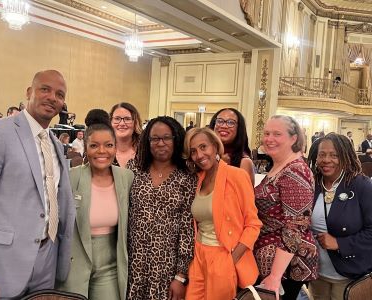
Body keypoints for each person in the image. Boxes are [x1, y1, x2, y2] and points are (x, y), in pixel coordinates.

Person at [0, 70, 75, 299]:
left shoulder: (56, 145)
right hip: (1, 267)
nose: (52, 97)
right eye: (45, 89)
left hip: (46, 264)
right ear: (29, 92)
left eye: (59, 94)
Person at [57, 109, 133, 300]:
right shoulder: (71, 177)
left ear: (115, 148)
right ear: (85, 147)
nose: (101, 151)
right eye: (94, 145)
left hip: (110, 265)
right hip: (74, 262)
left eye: (108, 145)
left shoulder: (126, 178)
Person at [183, 128, 262, 299]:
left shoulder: (237, 176)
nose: (199, 155)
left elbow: (253, 224)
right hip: (198, 255)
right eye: (193, 151)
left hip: (223, 254)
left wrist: (230, 260)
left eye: (204, 147)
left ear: (215, 146)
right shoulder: (198, 179)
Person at [127, 116, 196, 300]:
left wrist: (181, 275)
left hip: (167, 266)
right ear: (147, 141)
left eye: (167, 137)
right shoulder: (134, 169)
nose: (161, 143)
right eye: (155, 138)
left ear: (176, 139)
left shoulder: (187, 176)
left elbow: (187, 228)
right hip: (134, 262)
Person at [254, 115, 318, 300]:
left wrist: (275, 276)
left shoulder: (295, 170)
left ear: (293, 138)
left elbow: (296, 226)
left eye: (277, 134)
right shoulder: (280, 166)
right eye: (266, 133)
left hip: (284, 269)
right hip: (271, 262)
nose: (269, 139)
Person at [308, 133, 372, 300]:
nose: (326, 160)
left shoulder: (361, 186)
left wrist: (339, 243)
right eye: (322, 154)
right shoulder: (311, 184)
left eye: (334, 155)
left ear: (345, 156)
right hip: (317, 274)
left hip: (349, 276)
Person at [209, 108, 255, 185]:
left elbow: (243, 196)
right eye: (220, 121)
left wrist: (223, 167)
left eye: (231, 123)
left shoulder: (244, 162)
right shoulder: (206, 155)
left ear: (239, 129)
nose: (224, 126)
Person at [110, 102, 142, 168]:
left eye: (127, 119)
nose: (122, 123)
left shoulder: (146, 152)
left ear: (135, 123)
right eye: (117, 119)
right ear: (110, 122)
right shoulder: (101, 152)